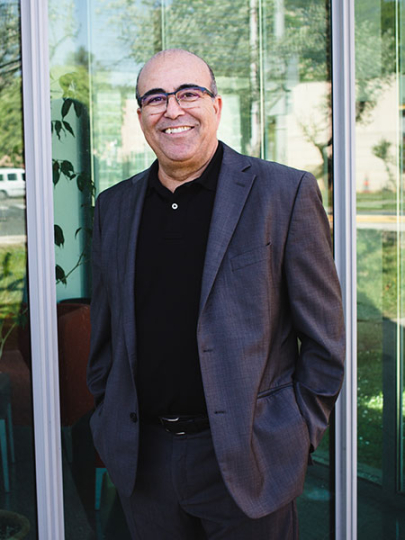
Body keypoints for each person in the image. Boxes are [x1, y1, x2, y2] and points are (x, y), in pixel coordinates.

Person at [87, 48, 345, 539]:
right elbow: (105, 337)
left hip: (251, 459)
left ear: (217, 106)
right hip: (146, 464)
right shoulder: (114, 207)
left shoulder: (283, 193)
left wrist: (298, 434)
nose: (172, 110)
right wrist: (107, 417)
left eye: (188, 94)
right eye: (155, 98)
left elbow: (325, 338)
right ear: (140, 116)